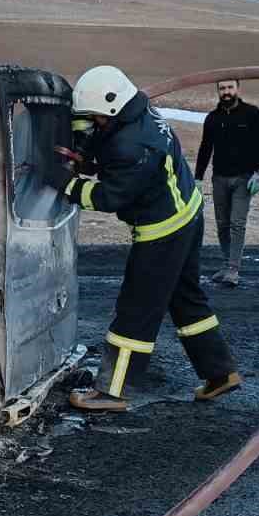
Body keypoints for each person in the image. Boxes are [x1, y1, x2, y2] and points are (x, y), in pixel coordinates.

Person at [57, 65, 242, 413]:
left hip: (164, 231)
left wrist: (65, 185)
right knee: (186, 300)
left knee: (136, 308)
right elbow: (113, 149)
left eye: (95, 117)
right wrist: (88, 155)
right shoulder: (138, 115)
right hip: (188, 214)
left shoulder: (132, 146)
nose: (92, 123)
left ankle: (113, 391)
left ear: (111, 108)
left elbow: (111, 197)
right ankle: (221, 373)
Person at [195, 78, 259, 287]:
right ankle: (227, 264)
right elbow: (205, 149)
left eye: (230, 87)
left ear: (238, 89)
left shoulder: (252, 113)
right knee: (222, 224)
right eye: (222, 88)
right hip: (219, 178)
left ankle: (233, 270)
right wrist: (198, 178)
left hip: (244, 178)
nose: (226, 91)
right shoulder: (212, 118)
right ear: (218, 91)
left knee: (237, 223)